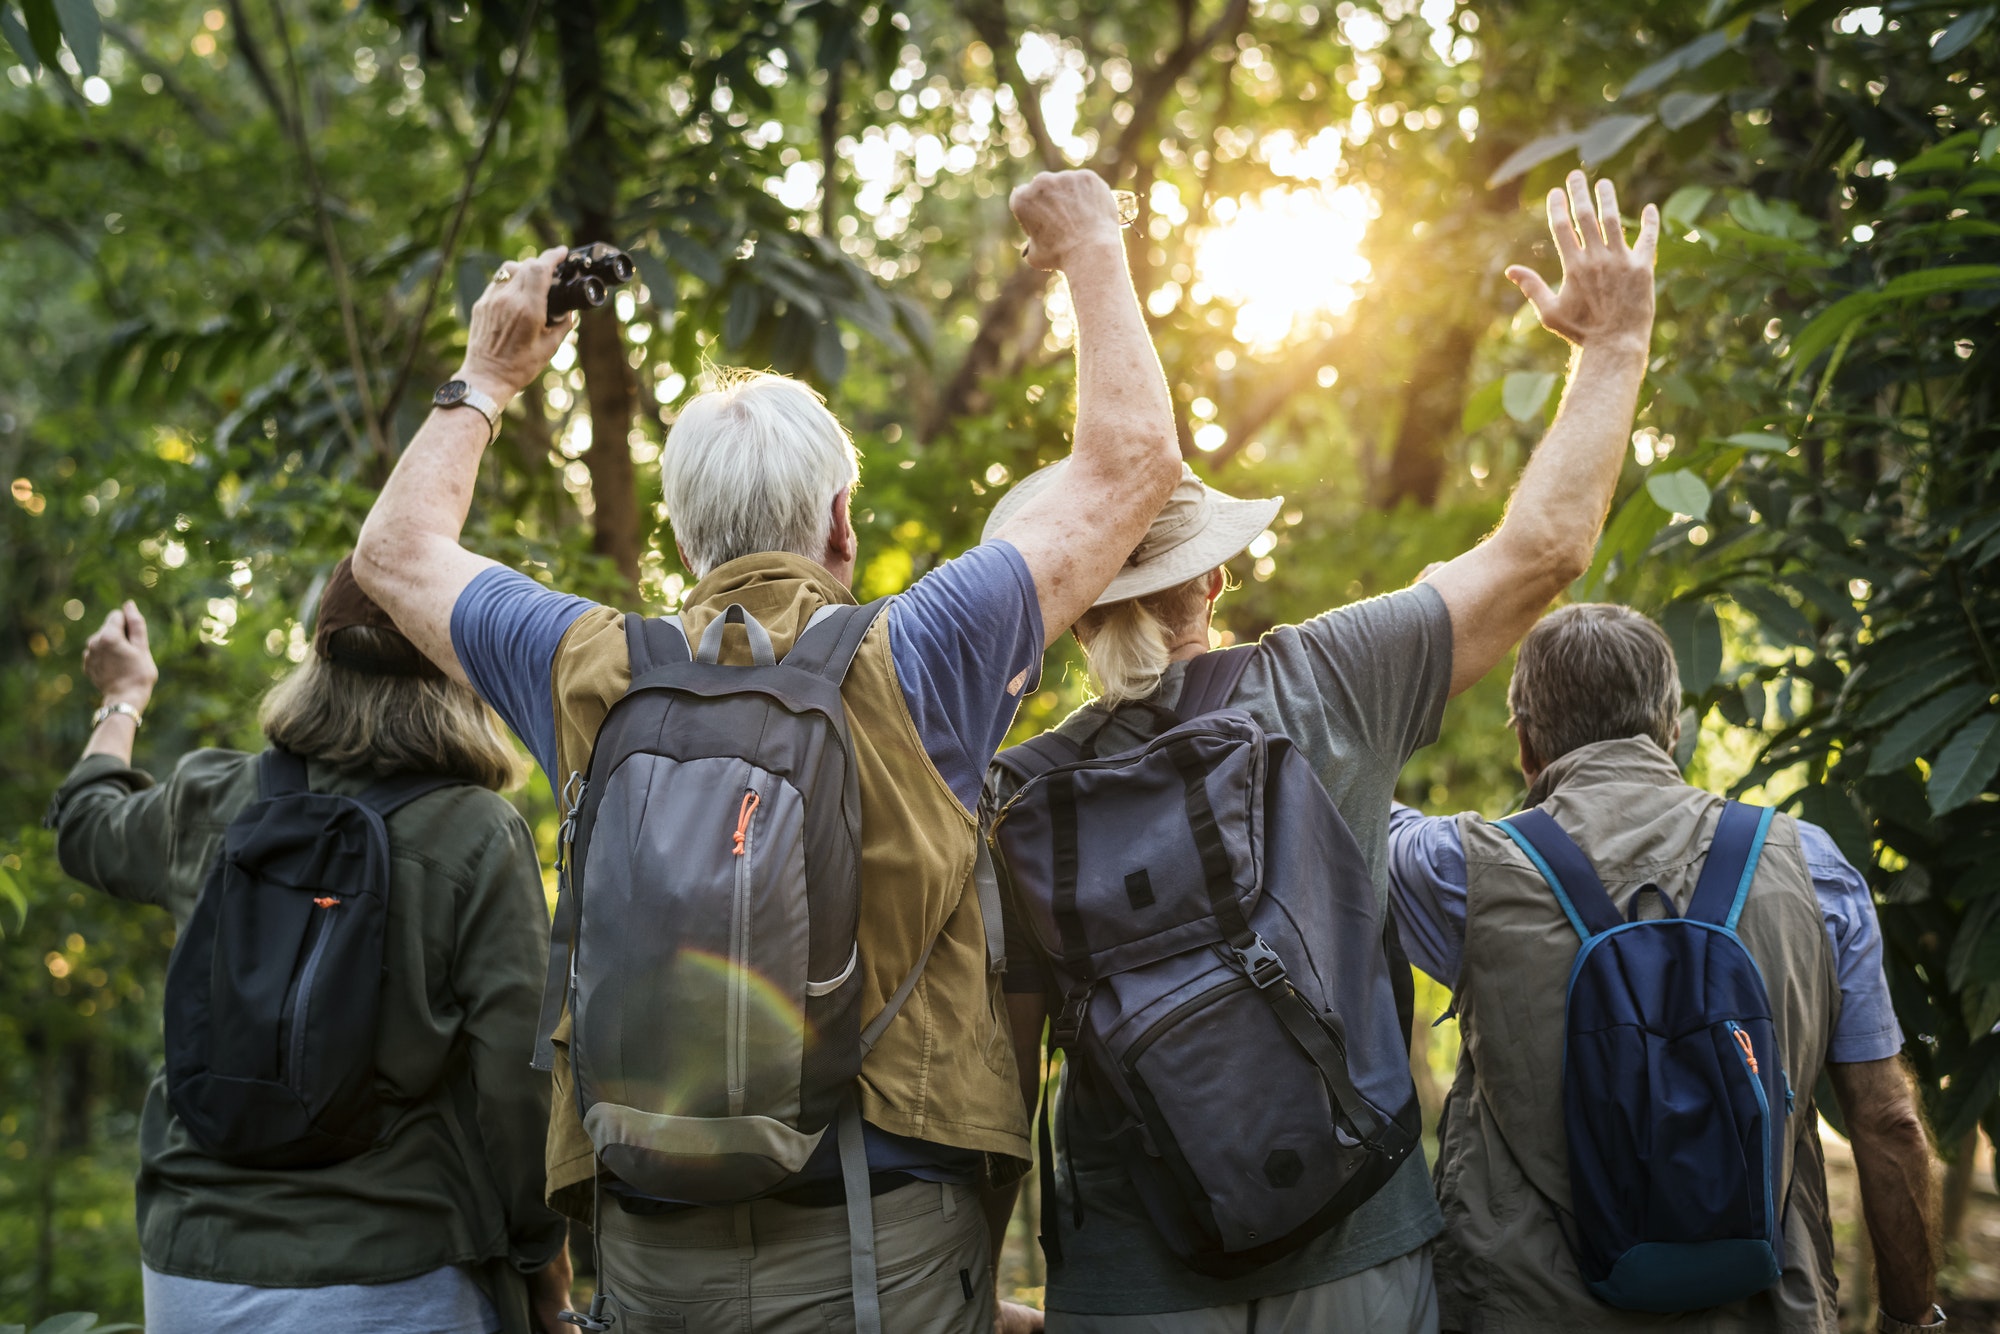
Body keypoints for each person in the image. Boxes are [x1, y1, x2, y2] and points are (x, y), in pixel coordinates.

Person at [350, 168, 1181, 1333]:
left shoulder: (585, 665)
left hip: (646, 1247)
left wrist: (488, 375)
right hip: (880, 1242)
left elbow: (391, 557)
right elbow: (1132, 464)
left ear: (689, 536)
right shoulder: (921, 651)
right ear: (843, 519)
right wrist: (1093, 244)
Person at [989, 171, 1662, 1333]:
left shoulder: (1014, 790)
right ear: (1210, 574)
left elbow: (1000, 1068)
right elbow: (1544, 545)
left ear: (1073, 602)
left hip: (1130, 1277)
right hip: (1353, 1249)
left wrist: (974, 1276)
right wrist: (1611, 344)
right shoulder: (1326, 677)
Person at [1386, 602, 1942, 1334]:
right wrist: (1911, 1321)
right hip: (1763, 1312)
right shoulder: (1814, 869)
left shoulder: (1461, 871)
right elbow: (1888, 1120)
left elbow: (1344, 789)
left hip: (1529, 1312)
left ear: (1525, 742)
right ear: (1671, 728)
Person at [45, 563, 573, 1334]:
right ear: (464, 669)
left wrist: (122, 699)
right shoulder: (476, 832)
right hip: (395, 1271)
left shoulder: (212, 795)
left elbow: (85, 825)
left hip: (193, 1266)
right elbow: (517, 1087)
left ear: (317, 660)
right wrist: (540, 1259)